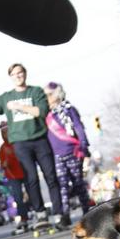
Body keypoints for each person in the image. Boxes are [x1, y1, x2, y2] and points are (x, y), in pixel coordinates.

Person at [0, 64, 63, 231]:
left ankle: (59, 214)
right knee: (31, 179)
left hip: (39, 139)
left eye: (20, 72)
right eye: (14, 74)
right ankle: (40, 214)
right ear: (10, 77)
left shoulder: (36, 92)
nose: (18, 76)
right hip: (20, 143)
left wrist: (19, 107)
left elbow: (41, 111)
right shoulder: (6, 97)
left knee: (51, 177)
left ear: (25, 74)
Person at [44, 81, 91, 224]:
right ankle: (65, 214)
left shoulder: (68, 109)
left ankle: (87, 211)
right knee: (62, 185)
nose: (47, 98)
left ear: (57, 94)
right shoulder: (47, 114)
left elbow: (78, 126)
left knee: (78, 183)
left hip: (72, 151)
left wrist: (83, 145)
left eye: (49, 94)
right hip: (57, 154)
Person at [0, 121, 25, 224]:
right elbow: (1, 165)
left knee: (31, 195)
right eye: (4, 132)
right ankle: (23, 218)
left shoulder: (19, 143)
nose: (6, 134)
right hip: (13, 176)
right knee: (18, 198)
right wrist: (4, 164)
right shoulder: (3, 148)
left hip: (25, 172)